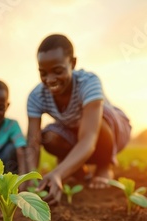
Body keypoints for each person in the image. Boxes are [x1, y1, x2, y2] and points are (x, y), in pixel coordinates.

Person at [26, 34, 131, 205]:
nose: (50, 79)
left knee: (96, 121)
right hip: (74, 132)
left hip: (110, 131)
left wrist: (58, 173)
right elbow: (33, 142)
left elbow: (89, 137)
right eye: (43, 73)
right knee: (49, 136)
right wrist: (30, 178)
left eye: (58, 71)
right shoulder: (36, 96)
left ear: (73, 63)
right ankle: (78, 171)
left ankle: (105, 166)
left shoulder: (89, 82)